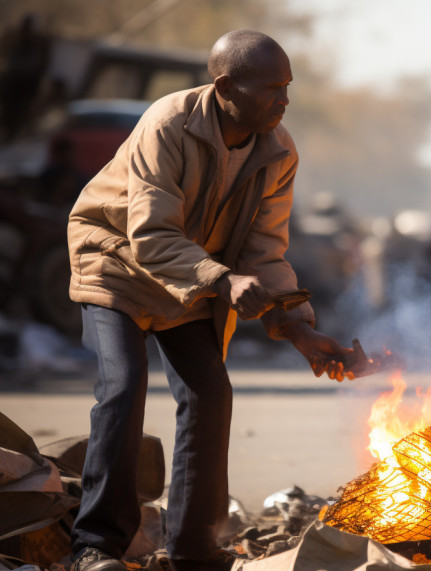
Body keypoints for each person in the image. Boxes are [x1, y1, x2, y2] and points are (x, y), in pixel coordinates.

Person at [66, 30, 352, 571]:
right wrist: (222, 281)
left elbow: (265, 249)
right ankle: (94, 546)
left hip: (195, 277)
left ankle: (193, 549)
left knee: (210, 396)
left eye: (288, 87)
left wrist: (298, 329)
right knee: (122, 387)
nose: (284, 100)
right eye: (271, 89)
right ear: (225, 87)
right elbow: (149, 236)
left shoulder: (278, 150)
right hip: (116, 262)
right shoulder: (168, 123)